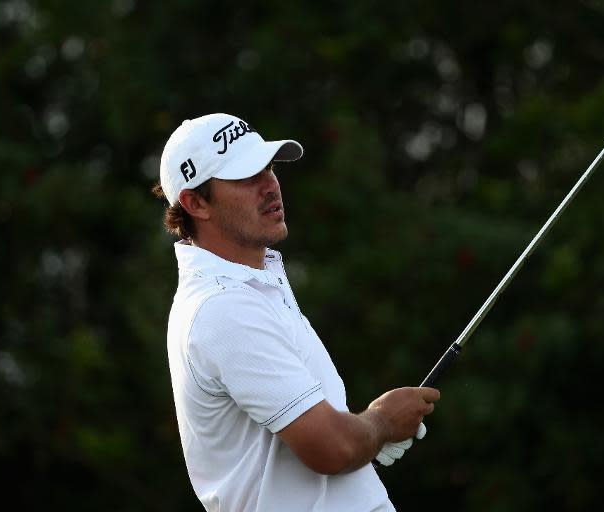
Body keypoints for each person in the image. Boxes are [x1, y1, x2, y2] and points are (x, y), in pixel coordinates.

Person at [153, 113, 440, 512]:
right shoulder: (223, 307)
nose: (269, 185)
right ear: (195, 203)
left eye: (267, 167)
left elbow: (333, 439)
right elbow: (332, 448)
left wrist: (365, 433)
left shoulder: (253, 280)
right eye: (245, 176)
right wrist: (381, 422)